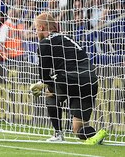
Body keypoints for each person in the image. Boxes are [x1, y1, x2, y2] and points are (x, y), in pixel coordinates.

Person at [30, 13, 107, 145]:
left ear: (42, 28)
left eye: (36, 28)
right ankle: (96, 134)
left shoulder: (44, 44)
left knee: (50, 92)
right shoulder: (68, 39)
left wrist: (40, 85)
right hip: (90, 80)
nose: (36, 32)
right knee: (78, 129)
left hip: (70, 78)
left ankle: (58, 134)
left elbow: (44, 77)